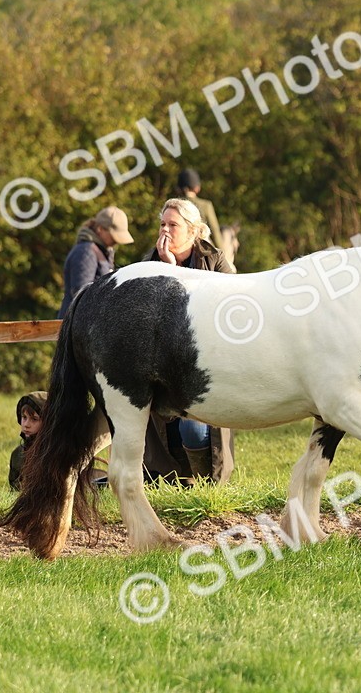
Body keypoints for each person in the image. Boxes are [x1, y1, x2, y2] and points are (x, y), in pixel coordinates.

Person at [141, 198, 235, 484]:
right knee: (165, 432)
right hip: (165, 363)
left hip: (207, 360)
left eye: (173, 225)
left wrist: (176, 271)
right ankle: (178, 480)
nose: (165, 231)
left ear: (194, 231)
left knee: (195, 430)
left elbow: (232, 305)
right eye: (162, 224)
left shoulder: (215, 259)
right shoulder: (148, 264)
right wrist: (166, 268)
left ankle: (207, 484)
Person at [9, 390, 107, 492]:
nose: (26, 424)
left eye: (34, 419)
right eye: (24, 417)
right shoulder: (18, 454)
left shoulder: (59, 452)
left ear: (48, 422)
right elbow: (15, 489)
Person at [57, 205, 134, 318]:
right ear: (100, 229)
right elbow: (80, 294)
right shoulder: (86, 251)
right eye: (113, 237)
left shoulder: (102, 252)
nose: (116, 242)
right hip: (77, 326)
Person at [175, 168, 232, 260]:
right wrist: (222, 254)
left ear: (178, 189)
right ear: (197, 188)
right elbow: (214, 231)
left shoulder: (173, 205)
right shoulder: (206, 205)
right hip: (201, 248)